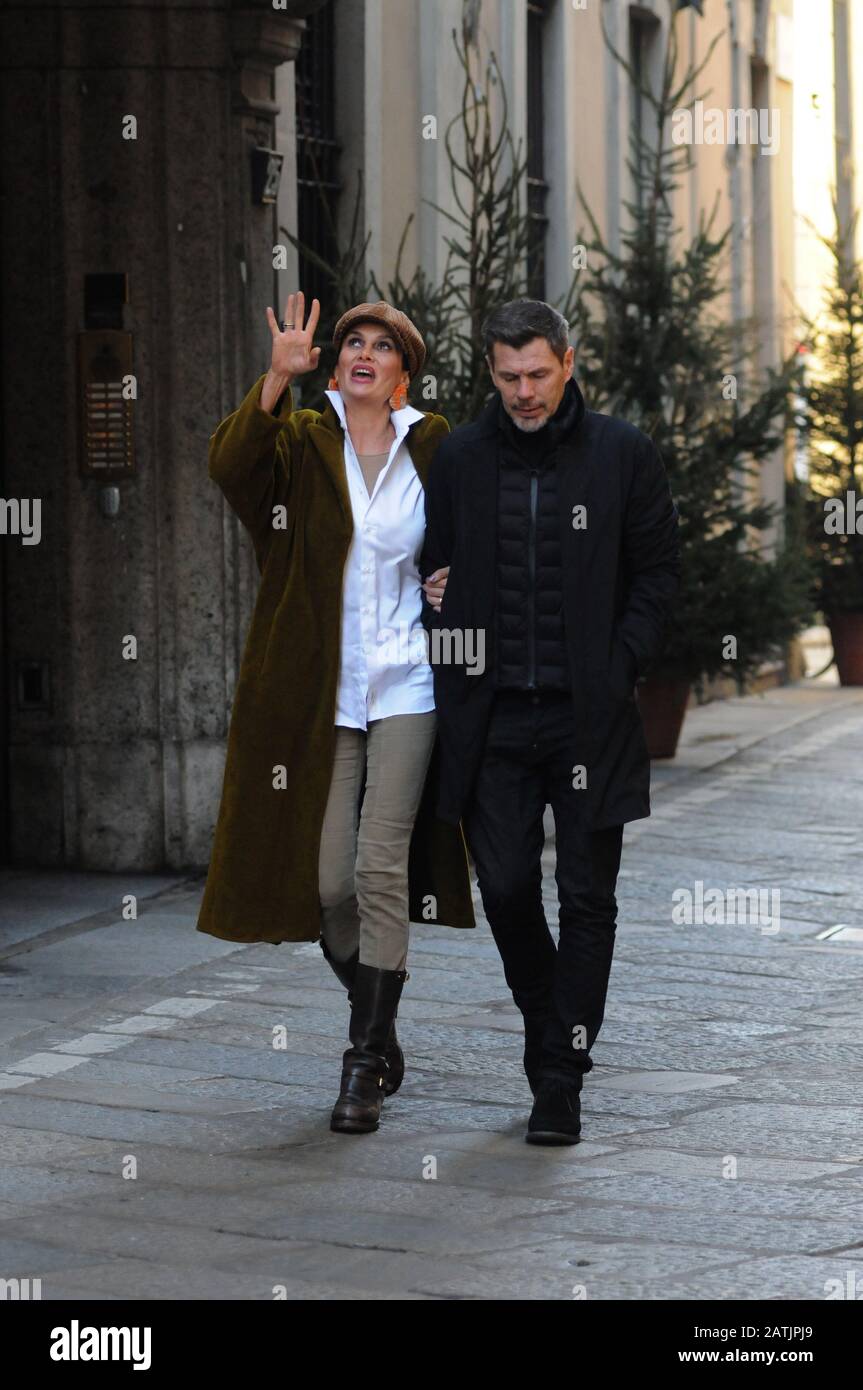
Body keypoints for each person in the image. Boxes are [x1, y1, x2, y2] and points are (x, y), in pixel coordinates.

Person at [197, 291, 475, 1135]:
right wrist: (275, 380)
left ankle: (360, 1066)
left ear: (402, 371)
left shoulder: (434, 447)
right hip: (321, 688)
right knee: (329, 881)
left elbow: (474, 540)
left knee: (381, 865)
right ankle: (382, 1027)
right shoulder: (299, 440)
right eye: (351, 341)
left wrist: (454, 578)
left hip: (408, 684)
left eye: (379, 346)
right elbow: (228, 467)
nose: (361, 353)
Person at [421, 298, 680, 1145]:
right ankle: (547, 1025)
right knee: (501, 888)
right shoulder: (459, 457)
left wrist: (616, 666)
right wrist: (439, 603)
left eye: (537, 373)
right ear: (488, 374)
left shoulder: (621, 453)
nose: (524, 392)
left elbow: (658, 576)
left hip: (586, 719)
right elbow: (432, 567)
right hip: (491, 718)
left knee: (586, 899)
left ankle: (561, 1074)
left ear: (567, 363)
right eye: (507, 377)